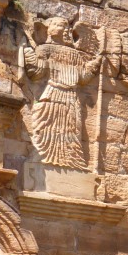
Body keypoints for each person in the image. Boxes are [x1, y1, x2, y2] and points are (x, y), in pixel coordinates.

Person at [23, 17, 102, 171]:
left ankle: (71, 161)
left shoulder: (75, 54)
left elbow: (82, 77)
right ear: (48, 29)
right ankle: (41, 156)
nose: (63, 29)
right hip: (52, 93)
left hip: (71, 97)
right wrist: (29, 54)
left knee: (72, 130)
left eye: (64, 26)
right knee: (44, 125)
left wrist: (93, 66)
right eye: (57, 25)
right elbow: (36, 73)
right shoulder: (44, 49)